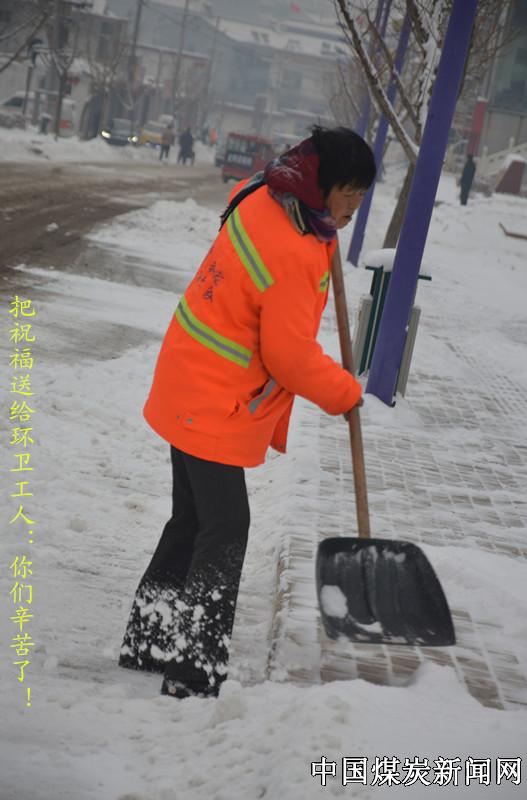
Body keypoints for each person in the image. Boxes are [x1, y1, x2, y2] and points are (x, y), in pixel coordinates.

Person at [118, 126, 376, 699]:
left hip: (190, 374)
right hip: (212, 396)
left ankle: (150, 640)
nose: (354, 207)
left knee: (193, 520)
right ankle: (193, 669)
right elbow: (288, 356)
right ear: (321, 184)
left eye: (362, 196)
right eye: (348, 193)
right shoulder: (292, 248)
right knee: (226, 527)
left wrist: (323, 231)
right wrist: (344, 392)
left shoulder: (263, 192)